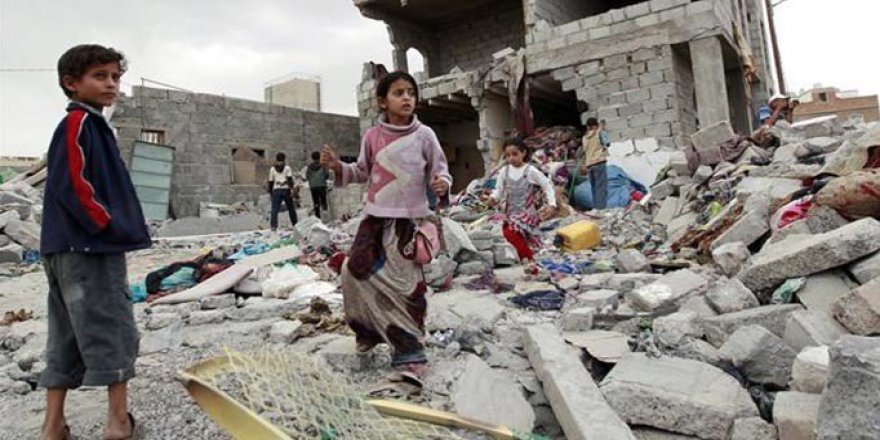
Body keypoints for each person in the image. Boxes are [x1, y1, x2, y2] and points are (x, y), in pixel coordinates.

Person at [40, 44, 152, 440]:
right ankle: (118, 423)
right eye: (99, 76)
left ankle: (54, 425)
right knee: (113, 327)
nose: (111, 85)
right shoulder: (79, 124)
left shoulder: (92, 125)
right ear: (71, 83)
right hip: (89, 247)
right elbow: (74, 184)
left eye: (115, 77)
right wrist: (107, 225)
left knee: (66, 334)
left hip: (66, 246)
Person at [320, 71, 451, 377]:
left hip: (409, 222)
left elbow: (441, 170)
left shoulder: (425, 136)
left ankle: (409, 349)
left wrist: (442, 184)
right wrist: (337, 167)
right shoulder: (372, 137)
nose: (407, 98)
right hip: (374, 219)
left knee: (407, 287)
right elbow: (361, 171)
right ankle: (367, 329)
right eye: (399, 93)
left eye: (411, 93)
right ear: (383, 102)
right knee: (354, 271)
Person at [489, 137, 557, 265]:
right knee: (513, 235)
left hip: (527, 214)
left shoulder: (530, 171)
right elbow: (499, 189)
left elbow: (547, 185)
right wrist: (493, 198)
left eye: (515, 154)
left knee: (510, 232)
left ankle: (528, 260)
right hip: (511, 213)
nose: (511, 158)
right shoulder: (504, 171)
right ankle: (529, 261)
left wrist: (552, 204)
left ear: (523, 153)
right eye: (508, 155)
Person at [580, 117, 609, 210]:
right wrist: (603, 129)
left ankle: (596, 208)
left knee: (594, 188)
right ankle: (601, 209)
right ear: (596, 125)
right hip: (599, 162)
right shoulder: (599, 133)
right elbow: (607, 143)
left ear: (587, 127)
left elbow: (584, 151)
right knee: (601, 187)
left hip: (589, 165)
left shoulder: (584, 138)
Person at [267, 152, 298, 230]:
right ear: (284, 159)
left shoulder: (272, 169)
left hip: (276, 190)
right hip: (286, 189)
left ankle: (273, 226)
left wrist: (270, 192)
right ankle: (295, 224)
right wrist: (292, 189)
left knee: (274, 209)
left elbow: (270, 181)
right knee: (291, 208)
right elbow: (290, 179)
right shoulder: (287, 168)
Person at [305, 151, 329, 218]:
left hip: (313, 187)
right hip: (322, 186)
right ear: (319, 157)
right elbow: (327, 175)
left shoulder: (309, 167)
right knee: (323, 201)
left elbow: (307, 176)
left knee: (316, 202)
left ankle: (318, 217)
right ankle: (325, 216)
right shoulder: (323, 166)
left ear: (312, 158)